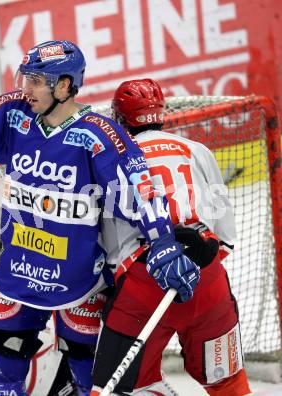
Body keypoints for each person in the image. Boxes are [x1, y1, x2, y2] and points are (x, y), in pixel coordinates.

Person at [0, 32, 200, 396]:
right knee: (1, 375)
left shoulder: (98, 134)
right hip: (16, 274)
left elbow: (141, 189)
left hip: (79, 282)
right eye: (25, 79)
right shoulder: (16, 113)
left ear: (65, 86)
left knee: (87, 379)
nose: (26, 89)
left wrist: (163, 242)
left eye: (36, 81)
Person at [91, 79, 251, 396]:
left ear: (118, 118)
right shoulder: (197, 150)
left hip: (143, 286)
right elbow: (225, 234)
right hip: (206, 279)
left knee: (126, 388)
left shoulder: (111, 160)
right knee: (228, 382)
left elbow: (108, 247)